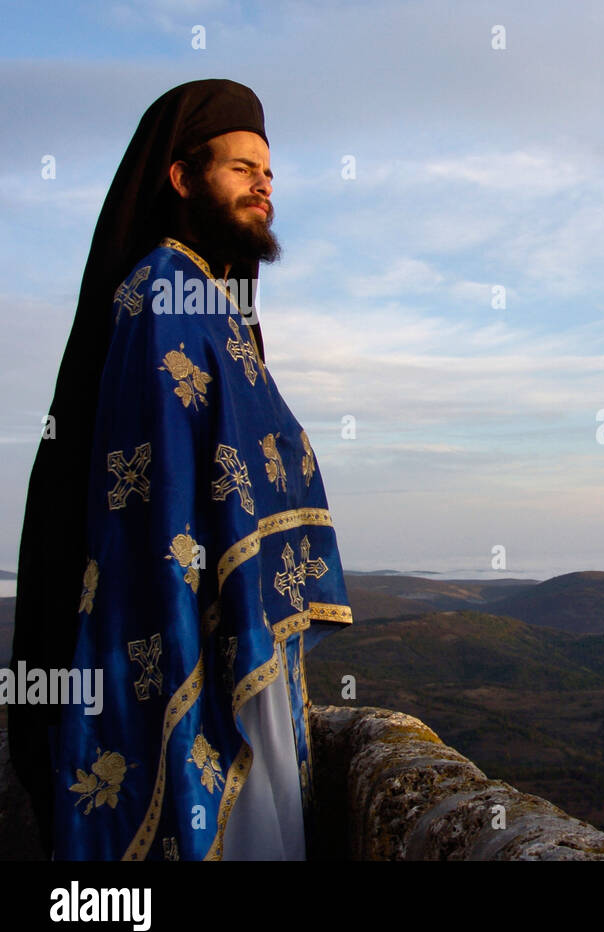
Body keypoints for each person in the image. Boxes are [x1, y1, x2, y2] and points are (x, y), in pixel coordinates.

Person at [8, 79, 353, 860]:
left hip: (245, 634)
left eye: (268, 173)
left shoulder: (212, 302)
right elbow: (153, 497)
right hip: (200, 636)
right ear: (181, 176)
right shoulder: (165, 296)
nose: (263, 185)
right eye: (240, 168)